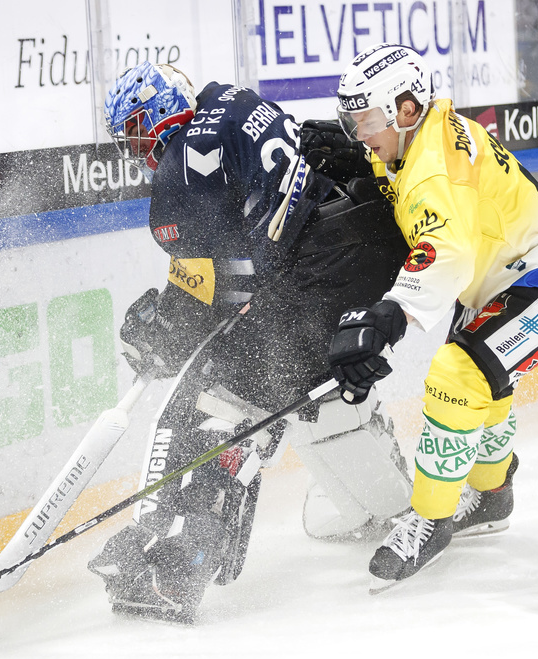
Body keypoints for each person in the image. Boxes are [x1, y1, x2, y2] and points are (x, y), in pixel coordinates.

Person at [87, 61, 414, 622]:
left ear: (165, 112)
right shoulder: (234, 104)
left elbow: (213, 286)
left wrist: (162, 329)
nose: (141, 151)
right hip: (362, 240)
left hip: (322, 273)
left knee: (226, 397)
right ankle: (384, 502)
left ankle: (183, 563)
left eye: (141, 130)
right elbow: (246, 253)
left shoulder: (184, 163)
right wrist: (177, 314)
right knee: (298, 389)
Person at [328, 43, 538, 591]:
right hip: (513, 272)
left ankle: (430, 521)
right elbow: (406, 187)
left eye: (363, 119)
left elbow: (445, 250)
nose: (357, 132)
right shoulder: (421, 134)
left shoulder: (435, 168)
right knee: (484, 376)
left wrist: (392, 312)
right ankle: (492, 493)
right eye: (350, 119)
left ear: (406, 109)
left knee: (458, 374)